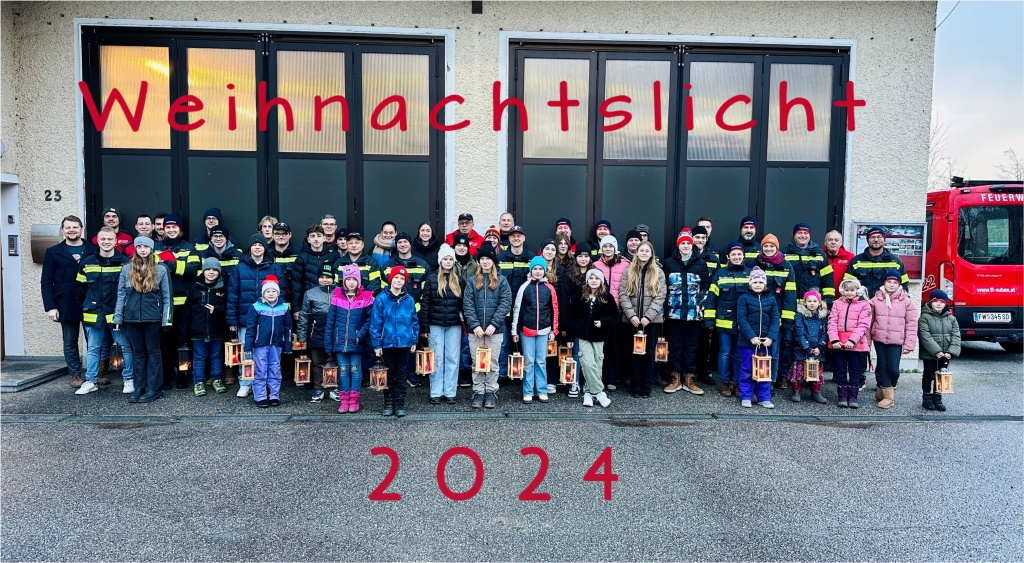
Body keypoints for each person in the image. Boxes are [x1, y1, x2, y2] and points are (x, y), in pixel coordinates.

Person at [113, 236, 172, 403]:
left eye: (146, 247)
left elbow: (167, 297)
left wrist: (167, 320)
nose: (142, 250)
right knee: (138, 353)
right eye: (139, 247)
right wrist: (118, 318)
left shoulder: (161, 269)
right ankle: (140, 386)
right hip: (132, 318)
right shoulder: (127, 268)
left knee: (154, 352)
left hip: (153, 318)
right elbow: (121, 295)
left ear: (151, 249)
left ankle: (154, 388)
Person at [228, 234, 287, 398]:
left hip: (269, 318)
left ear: (264, 248)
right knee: (247, 352)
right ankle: (245, 383)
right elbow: (233, 295)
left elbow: (282, 294)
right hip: (245, 318)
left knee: (267, 354)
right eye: (254, 245)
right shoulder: (240, 268)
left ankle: (267, 385)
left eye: (260, 245)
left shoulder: (274, 268)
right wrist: (232, 319)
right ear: (250, 248)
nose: (257, 248)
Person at [76, 227, 131, 394]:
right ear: (97, 241)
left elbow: (129, 290)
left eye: (109, 239)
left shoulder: (125, 263)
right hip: (94, 313)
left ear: (115, 241)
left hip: (116, 313)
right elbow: (81, 289)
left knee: (125, 346)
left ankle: (129, 379)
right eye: (103, 239)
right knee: (93, 348)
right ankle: (90, 381)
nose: (106, 242)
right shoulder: (87, 263)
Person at [42, 215, 95, 388]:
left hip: (91, 302)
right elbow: (46, 281)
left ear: (81, 229)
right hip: (65, 303)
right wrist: (50, 307)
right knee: (70, 341)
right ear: (63, 230)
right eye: (68, 227)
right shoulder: (53, 252)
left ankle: (95, 373)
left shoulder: (93, 249)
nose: (71, 230)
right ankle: (75, 375)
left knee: (94, 340)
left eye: (75, 227)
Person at [154, 214, 200, 389]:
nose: (171, 230)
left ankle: (182, 375)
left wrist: (170, 265)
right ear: (163, 229)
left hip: (184, 304)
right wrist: (176, 266)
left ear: (179, 229)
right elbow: (152, 269)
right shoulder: (156, 248)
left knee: (183, 341)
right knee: (163, 342)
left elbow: (193, 269)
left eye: (174, 227)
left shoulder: (190, 247)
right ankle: (166, 376)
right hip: (162, 304)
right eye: (168, 227)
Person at [462, 246, 511, 409]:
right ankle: (478, 391)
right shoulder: (472, 281)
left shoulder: (502, 281)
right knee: (477, 362)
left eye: (488, 259)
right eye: (482, 259)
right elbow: (467, 304)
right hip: (475, 331)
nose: (485, 261)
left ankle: (490, 391)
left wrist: (493, 324)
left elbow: (505, 303)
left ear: (493, 261)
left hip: (494, 331)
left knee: (493, 362)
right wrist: (475, 325)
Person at [662, 230, 709, 395]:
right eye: (683, 243)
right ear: (678, 245)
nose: (686, 246)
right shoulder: (669, 263)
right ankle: (675, 378)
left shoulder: (701, 264)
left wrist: (699, 307)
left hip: (693, 315)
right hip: (674, 314)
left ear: (692, 245)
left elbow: (705, 288)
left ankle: (689, 378)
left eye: (688, 243)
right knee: (675, 346)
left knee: (691, 347)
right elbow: (663, 288)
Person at [618, 241, 667, 398]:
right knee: (633, 353)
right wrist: (631, 315)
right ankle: (635, 385)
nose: (644, 253)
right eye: (641, 250)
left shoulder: (658, 272)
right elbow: (623, 294)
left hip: (651, 322)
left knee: (648, 353)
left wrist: (648, 317)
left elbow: (660, 296)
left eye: (647, 251)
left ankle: (645, 386)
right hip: (631, 321)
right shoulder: (628, 271)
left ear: (651, 254)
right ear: (636, 252)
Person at [370, 266, 420, 418]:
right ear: (391, 279)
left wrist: (414, 340)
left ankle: (399, 404)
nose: (398, 281)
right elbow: (376, 323)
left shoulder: (409, 299)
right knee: (389, 374)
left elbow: (414, 321)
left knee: (401, 374)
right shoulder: (381, 299)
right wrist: (377, 344)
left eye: (402, 278)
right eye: (396, 277)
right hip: (387, 342)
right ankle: (388, 404)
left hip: (404, 342)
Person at [324, 264, 374, 413]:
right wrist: (329, 344)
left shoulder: (366, 298)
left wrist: (360, 335)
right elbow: (330, 322)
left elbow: (369, 320)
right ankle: (344, 400)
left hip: (356, 341)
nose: (351, 282)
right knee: (343, 370)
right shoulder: (337, 298)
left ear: (359, 281)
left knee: (355, 369)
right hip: (339, 341)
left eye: (354, 279)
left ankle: (354, 400)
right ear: (344, 281)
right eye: (348, 279)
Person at [419, 244, 465, 405]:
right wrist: (424, 328)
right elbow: (425, 304)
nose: (448, 262)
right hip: (435, 324)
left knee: (452, 358)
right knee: (436, 358)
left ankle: (450, 392)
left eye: (451, 259)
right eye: (445, 259)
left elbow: (463, 305)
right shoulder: (431, 279)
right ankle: (436, 392)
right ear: (440, 261)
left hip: (454, 324)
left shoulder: (459, 280)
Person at [705, 242, 752, 397]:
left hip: (743, 324)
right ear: (728, 257)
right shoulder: (720, 273)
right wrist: (709, 320)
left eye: (739, 254)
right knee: (725, 353)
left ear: (743, 256)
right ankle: (724, 383)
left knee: (739, 354)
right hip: (724, 322)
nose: (737, 257)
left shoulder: (750, 273)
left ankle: (738, 383)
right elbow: (712, 298)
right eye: (733, 254)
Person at [512, 256, 560, 404]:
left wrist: (554, 330)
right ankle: (528, 391)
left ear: (544, 271)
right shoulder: (524, 287)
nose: (537, 271)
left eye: (540, 269)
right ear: (531, 270)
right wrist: (514, 331)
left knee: (541, 361)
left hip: (544, 330)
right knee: (528, 361)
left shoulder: (549, 288)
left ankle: (541, 390)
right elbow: (517, 309)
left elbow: (554, 309)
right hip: (527, 330)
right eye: (535, 269)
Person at [869, 270, 919, 409]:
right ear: (884, 283)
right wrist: (867, 342)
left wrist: (909, 344)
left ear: (899, 284)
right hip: (879, 338)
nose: (891, 285)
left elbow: (911, 324)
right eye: (889, 282)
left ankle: (886, 389)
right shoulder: (875, 300)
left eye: (895, 282)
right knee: (882, 366)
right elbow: (869, 322)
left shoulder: (907, 302)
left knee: (893, 369)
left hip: (896, 341)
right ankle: (888, 397)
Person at [180, 257, 229, 396]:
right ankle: (198, 382)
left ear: (219, 272)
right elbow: (187, 312)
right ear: (203, 271)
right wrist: (183, 334)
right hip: (198, 331)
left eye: (214, 270)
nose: (211, 272)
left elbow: (228, 308)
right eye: (208, 269)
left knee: (216, 356)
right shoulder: (195, 287)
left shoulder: (223, 288)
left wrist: (216, 310)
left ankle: (217, 379)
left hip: (217, 331)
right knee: (199, 357)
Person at [755, 233, 797, 388]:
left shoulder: (786, 266)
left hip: (777, 317)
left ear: (777, 248)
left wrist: (787, 320)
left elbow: (790, 294)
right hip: (758, 315)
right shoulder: (755, 263)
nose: (768, 248)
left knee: (774, 350)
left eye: (772, 246)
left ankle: (771, 381)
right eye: (765, 246)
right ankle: (758, 379)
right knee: (758, 350)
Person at [570, 269, 616, 408]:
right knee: (587, 362)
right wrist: (572, 335)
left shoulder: (607, 297)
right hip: (583, 334)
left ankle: (588, 393)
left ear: (601, 281)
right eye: (591, 278)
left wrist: (603, 322)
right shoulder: (580, 295)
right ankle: (599, 392)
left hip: (599, 335)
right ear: (587, 280)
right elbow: (573, 316)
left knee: (597, 364)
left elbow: (614, 317)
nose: (594, 281)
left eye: (597, 278)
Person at [245, 276, 292, 408]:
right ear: (263, 293)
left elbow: (288, 328)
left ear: (278, 293)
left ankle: (274, 395)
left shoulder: (284, 307)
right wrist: (248, 346)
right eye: (268, 291)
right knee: (260, 369)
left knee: (275, 369)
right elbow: (251, 328)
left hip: (276, 344)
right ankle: (260, 396)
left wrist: (288, 345)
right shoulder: (256, 307)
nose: (271, 294)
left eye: (273, 291)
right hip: (260, 344)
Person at [736, 266, 779, 409]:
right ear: (750, 284)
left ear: (765, 284)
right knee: (747, 369)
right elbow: (742, 319)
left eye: (761, 282)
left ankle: (764, 397)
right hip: (748, 342)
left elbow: (775, 319)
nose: (758, 285)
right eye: (755, 282)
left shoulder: (771, 299)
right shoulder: (744, 298)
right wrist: (751, 337)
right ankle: (746, 396)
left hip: (765, 343)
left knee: (764, 371)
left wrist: (771, 338)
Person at [592, 234, 630, 390]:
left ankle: (612, 379)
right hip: (600, 312)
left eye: (610, 246)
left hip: (617, 312)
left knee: (614, 346)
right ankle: (598, 378)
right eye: (605, 246)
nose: (608, 249)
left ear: (615, 248)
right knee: (600, 347)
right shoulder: (595, 265)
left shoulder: (625, 264)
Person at [828, 278, 872, 408]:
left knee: (854, 370)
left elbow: (863, 324)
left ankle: (853, 397)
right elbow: (832, 322)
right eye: (846, 290)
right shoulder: (837, 304)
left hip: (856, 343)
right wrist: (834, 339)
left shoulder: (864, 305)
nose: (849, 293)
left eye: (852, 290)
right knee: (840, 370)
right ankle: (842, 396)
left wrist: (852, 340)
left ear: (858, 290)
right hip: (838, 343)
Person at [296, 263, 336, 404]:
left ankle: (333, 388)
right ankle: (318, 388)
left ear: (334, 278)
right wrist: (302, 335)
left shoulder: (340, 292)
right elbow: (304, 315)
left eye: (328, 277)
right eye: (322, 277)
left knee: (334, 361)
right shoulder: (310, 293)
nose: (325, 280)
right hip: (316, 331)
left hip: (335, 332)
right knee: (317, 362)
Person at [497, 225, 532, 380]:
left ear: (524, 238)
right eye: (513, 236)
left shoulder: (531, 258)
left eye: (519, 236)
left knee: (525, 344)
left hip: (525, 309)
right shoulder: (500, 258)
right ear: (509, 238)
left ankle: (524, 375)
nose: (516, 238)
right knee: (504, 343)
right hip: (505, 308)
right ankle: (502, 374)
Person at [918, 289, 960, 412]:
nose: (938, 304)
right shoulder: (924, 317)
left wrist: (951, 352)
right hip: (930, 354)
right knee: (928, 375)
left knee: (941, 376)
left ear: (945, 303)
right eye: (936, 301)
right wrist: (936, 351)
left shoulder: (951, 319)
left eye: (942, 302)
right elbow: (925, 336)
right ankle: (927, 398)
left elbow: (956, 336)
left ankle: (938, 398)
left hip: (945, 354)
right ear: (930, 302)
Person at [789, 290, 829, 404]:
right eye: (809, 301)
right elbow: (799, 332)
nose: (812, 303)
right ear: (805, 302)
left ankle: (816, 392)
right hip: (801, 349)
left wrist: (820, 347)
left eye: (815, 301)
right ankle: (796, 391)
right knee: (799, 370)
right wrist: (806, 347)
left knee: (815, 371)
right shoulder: (800, 315)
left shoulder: (823, 317)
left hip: (817, 350)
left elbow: (825, 333)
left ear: (819, 303)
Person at [845, 226, 909, 297]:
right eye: (873, 237)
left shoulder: (895, 261)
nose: (876, 240)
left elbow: (904, 284)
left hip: (887, 302)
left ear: (884, 239)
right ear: (867, 240)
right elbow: (848, 284)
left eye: (879, 237)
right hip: (862, 301)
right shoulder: (856, 261)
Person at [691, 224, 719, 385]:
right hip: (690, 305)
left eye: (703, 237)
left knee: (705, 341)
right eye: (697, 237)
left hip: (707, 304)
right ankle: (689, 371)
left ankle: (703, 372)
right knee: (691, 340)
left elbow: (717, 281)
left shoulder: (713, 258)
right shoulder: (686, 254)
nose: (700, 240)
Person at [291, 224, 340, 313]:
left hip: (330, 303)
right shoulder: (302, 258)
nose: (316, 239)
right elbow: (296, 285)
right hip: (309, 303)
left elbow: (337, 282)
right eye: (312, 236)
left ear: (324, 238)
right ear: (308, 239)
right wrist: (296, 309)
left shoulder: (333, 256)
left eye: (319, 236)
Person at [785, 223, 835, 305]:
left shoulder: (819, 254)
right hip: (791, 304)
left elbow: (828, 279)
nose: (803, 236)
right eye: (799, 233)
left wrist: (828, 301)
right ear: (794, 235)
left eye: (805, 233)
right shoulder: (784, 254)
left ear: (810, 235)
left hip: (813, 305)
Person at [334, 231, 383, 295]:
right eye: (350, 243)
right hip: (343, 299)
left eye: (357, 243)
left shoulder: (371, 262)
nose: (354, 245)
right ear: (347, 245)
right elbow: (335, 284)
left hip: (365, 299)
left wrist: (362, 297)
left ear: (362, 245)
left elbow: (375, 284)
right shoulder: (339, 263)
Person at [823, 230, 854, 295]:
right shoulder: (819, 256)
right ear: (825, 242)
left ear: (841, 243)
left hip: (844, 297)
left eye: (836, 240)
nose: (833, 242)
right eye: (830, 240)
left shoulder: (850, 257)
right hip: (822, 297)